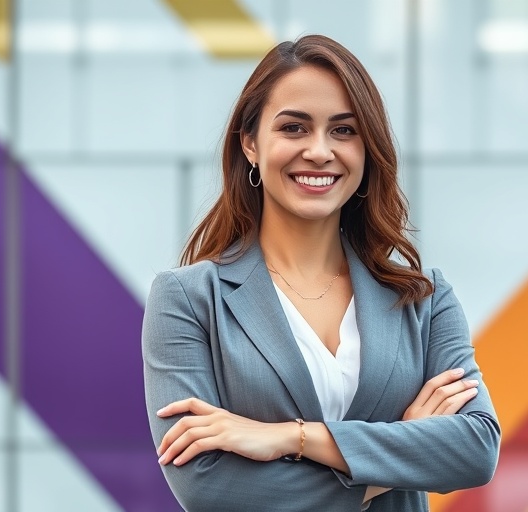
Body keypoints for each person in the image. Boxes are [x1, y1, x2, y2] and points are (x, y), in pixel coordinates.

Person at [142, 34, 499, 511]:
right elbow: (210, 490)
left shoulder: (423, 299)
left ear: (367, 149)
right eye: (293, 128)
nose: (319, 151)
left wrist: (293, 438)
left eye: (344, 131)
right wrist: (403, 450)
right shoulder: (188, 300)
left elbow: (475, 449)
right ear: (250, 143)